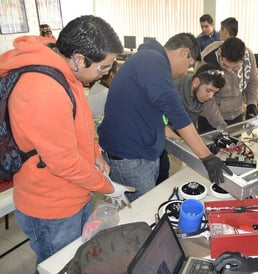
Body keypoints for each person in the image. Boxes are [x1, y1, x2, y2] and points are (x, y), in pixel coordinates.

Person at [0, 15, 135, 271]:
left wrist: (95, 153)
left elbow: (81, 121)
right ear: (79, 58)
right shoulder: (43, 89)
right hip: (51, 206)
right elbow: (64, 164)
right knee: (60, 267)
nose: (106, 73)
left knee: (79, 259)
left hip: (74, 192)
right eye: (103, 68)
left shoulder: (63, 68)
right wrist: (107, 187)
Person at [98, 33, 233, 202]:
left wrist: (189, 146)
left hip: (141, 155)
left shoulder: (150, 61)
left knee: (147, 205)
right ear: (184, 52)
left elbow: (161, 122)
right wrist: (206, 157)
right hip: (131, 158)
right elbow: (177, 115)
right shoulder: (153, 62)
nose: (186, 71)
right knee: (146, 211)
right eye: (189, 65)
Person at [157, 63, 226, 184]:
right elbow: (161, 126)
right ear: (196, 82)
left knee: (166, 171)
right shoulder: (172, 90)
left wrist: (224, 131)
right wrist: (192, 147)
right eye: (209, 90)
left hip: (178, 136)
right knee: (160, 170)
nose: (210, 96)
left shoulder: (203, 94)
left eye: (214, 93)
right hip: (157, 136)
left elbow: (213, 114)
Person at [198, 17, 258, 133]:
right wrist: (222, 126)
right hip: (210, 119)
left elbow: (253, 81)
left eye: (235, 67)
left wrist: (251, 106)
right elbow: (206, 100)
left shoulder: (248, 56)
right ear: (220, 52)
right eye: (225, 66)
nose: (230, 71)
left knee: (235, 149)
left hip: (237, 115)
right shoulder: (206, 62)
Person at [87, 60, 118, 129]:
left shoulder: (96, 84)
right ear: (112, 74)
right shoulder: (107, 93)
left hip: (90, 123)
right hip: (96, 126)